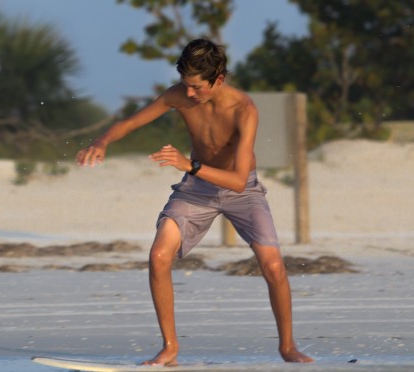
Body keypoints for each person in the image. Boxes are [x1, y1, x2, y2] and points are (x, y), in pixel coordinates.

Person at [76, 38, 313, 365]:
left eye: (196, 87)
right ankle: (170, 347)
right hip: (197, 190)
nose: (188, 93)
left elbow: (239, 179)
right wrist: (101, 141)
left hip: (241, 190)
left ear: (218, 79)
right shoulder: (179, 95)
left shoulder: (244, 110)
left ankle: (287, 347)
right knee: (159, 255)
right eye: (185, 85)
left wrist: (190, 165)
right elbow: (132, 122)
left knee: (273, 266)